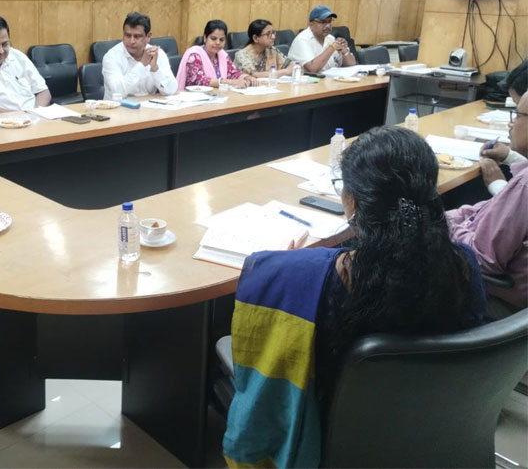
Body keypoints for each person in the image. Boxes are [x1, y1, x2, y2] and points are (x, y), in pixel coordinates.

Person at [223, 126, 485, 467]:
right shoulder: (464, 266)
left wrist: (290, 266)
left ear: (353, 202)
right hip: (433, 434)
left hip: (329, 440)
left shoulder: (303, 275)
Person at [446, 91, 528, 318]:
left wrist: (441, 226)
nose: (512, 123)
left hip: (498, 302)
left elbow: (481, 260)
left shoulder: (524, 186)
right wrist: (449, 217)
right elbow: (489, 209)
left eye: (518, 115)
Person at [102, 12, 177, 100]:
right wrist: (142, 64)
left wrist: (155, 69)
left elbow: (171, 90)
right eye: (127, 35)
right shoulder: (112, 57)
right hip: (118, 107)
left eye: (137, 36)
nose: (132, 41)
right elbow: (118, 92)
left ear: (148, 37)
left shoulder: (157, 54)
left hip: (148, 107)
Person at [176, 20, 254, 90]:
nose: (217, 42)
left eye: (221, 40)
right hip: (195, 98)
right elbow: (198, 80)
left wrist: (246, 77)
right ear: (205, 38)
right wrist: (230, 82)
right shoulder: (194, 55)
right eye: (213, 39)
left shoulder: (222, 55)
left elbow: (232, 73)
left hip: (217, 95)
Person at [288, 5, 357, 73]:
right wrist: (332, 47)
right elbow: (312, 68)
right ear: (311, 24)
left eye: (329, 21)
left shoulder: (331, 39)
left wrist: (345, 51)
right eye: (323, 22)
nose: (328, 26)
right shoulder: (302, 40)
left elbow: (351, 65)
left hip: (330, 79)